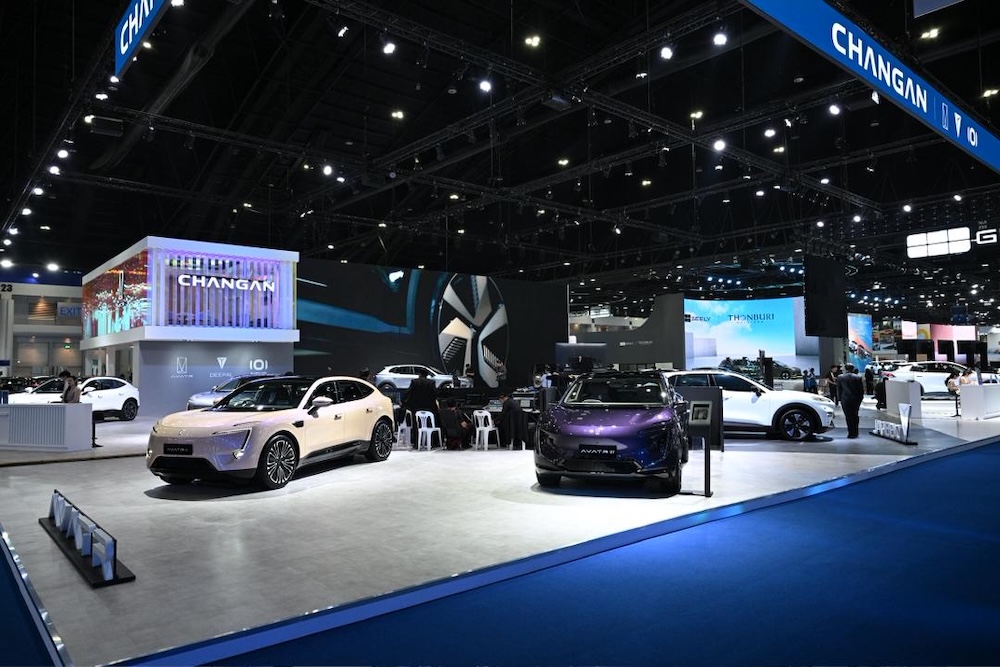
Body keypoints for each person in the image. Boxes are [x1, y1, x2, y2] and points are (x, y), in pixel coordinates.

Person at [403, 367, 439, 447]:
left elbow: (408, 393)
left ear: (420, 374)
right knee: (431, 423)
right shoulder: (431, 382)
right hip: (429, 407)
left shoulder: (414, 382)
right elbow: (435, 394)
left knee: (416, 425)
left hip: (416, 407)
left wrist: (405, 402)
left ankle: (417, 443)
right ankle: (431, 442)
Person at [837, 363, 865, 439]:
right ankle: (855, 432)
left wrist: (839, 399)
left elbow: (839, 389)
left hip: (845, 399)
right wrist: (860, 399)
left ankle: (850, 433)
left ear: (845, 368)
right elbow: (861, 390)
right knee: (855, 415)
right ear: (853, 368)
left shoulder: (840, 377)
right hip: (855, 399)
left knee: (848, 416)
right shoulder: (858, 377)